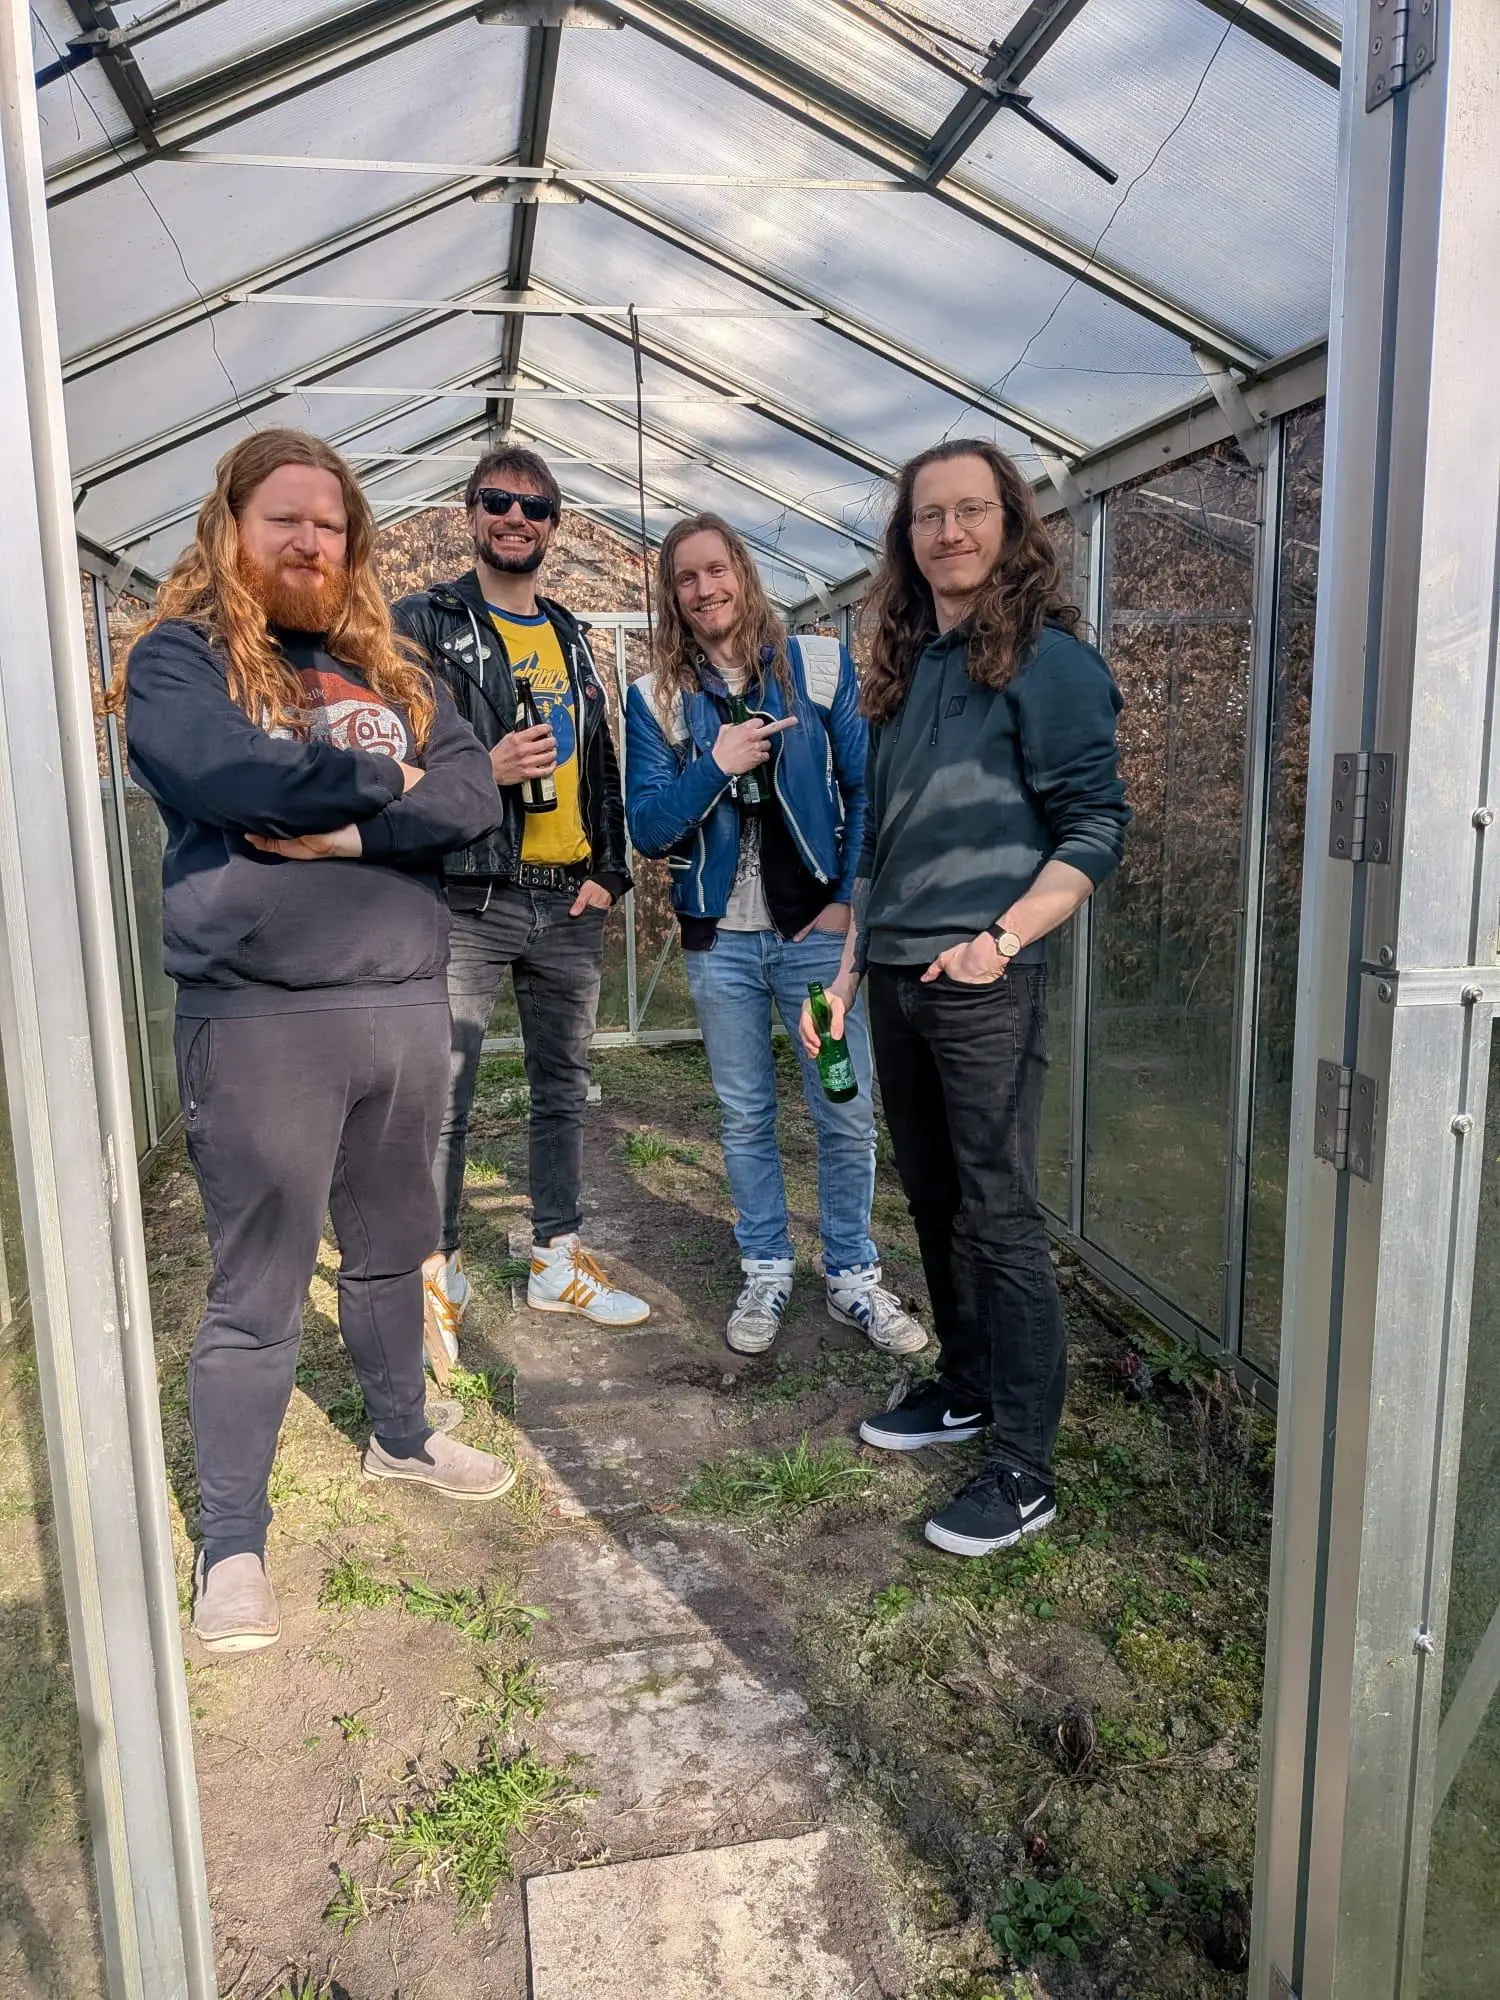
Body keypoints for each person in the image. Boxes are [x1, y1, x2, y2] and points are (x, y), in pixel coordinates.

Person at [114, 429, 515, 1654]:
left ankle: (401, 1432)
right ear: (231, 526)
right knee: (256, 1288)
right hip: (261, 1018)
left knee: (394, 1250)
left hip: (402, 1005)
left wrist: (348, 819)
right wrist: (382, 787)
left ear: (354, 545)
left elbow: (474, 795)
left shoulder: (391, 668)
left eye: (328, 525)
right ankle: (232, 1538)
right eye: (283, 518)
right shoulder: (180, 658)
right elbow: (227, 775)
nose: (308, 541)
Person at [801, 440, 1128, 1557]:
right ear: (906, 538)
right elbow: (877, 843)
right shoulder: (903, 669)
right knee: (936, 1199)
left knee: (998, 1213)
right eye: (929, 515)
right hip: (891, 974)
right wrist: (844, 979)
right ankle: (966, 1384)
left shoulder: (1051, 663)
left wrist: (998, 941)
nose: (949, 531)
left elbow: (1096, 827)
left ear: (1011, 525)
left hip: (980, 976)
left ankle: (1025, 1465)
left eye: (971, 510)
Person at [626, 513, 926, 1358]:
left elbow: (868, 791)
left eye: (716, 570)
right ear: (672, 595)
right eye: (686, 578)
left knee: (844, 1103)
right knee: (746, 1114)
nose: (705, 588)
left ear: (743, 574)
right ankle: (766, 1265)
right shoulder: (655, 697)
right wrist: (714, 764)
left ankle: (852, 1276)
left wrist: (846, 902)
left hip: (814, 936)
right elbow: (648, 826)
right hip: (719, 939)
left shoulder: (817, 664)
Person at [393, 446, 647, 1354]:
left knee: (562, 1090)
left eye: (534, 508)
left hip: (566, 901)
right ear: (470, 512)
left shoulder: (572, 635)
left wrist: (609, 871)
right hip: (469, 895)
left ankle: (556, 1259)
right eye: (498, 502)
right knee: (446, 1093)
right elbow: (384, 759)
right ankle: (436, 1271)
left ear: (555, 525)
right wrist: (482, 774)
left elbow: (602, 763)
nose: (516, 519)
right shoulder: (421, 623)